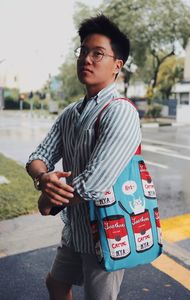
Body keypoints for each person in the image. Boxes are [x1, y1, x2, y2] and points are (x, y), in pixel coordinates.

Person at [26, 14, 141, 300]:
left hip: (106, 232)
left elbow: (93, 184)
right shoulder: (70, 113)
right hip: (74, 229)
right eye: (83, 51)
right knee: (55, 283)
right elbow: (37, 157)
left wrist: (46, 200)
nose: (86, 59)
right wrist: (43, 177)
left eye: (98, 53)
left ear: (117, 65)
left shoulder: (121, 111)